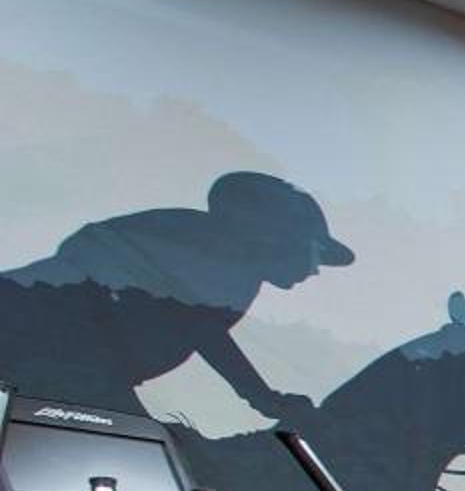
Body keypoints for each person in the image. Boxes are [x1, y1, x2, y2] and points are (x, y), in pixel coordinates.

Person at [0, 171, 351, 421]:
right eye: (314, 253)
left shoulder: (223, 264)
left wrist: (264, 399)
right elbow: (200, 328)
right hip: (50, 346)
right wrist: (264, 399)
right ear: (275, 239)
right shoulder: (212, 255)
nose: (314, 270)